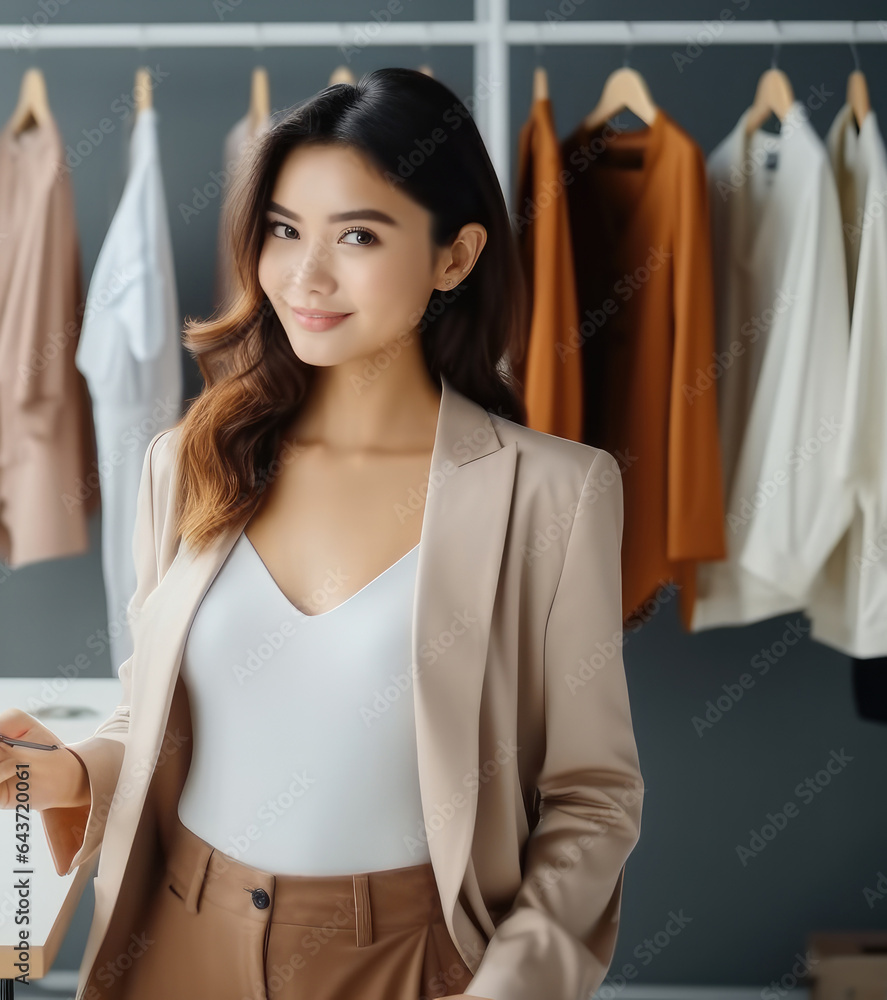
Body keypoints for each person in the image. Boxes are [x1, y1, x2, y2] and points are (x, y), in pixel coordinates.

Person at [0, 67, 644, 1000]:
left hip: (412, 962)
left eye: (358, 236)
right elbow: (155, 718)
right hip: (178, 943)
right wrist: (57, 780)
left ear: (454, 257)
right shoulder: (187, 463)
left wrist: (514, 981)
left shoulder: (552, 494)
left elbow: (592, 797)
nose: (304, 275)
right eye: (283, 230)